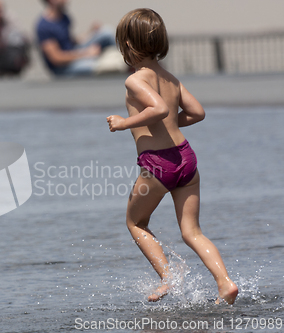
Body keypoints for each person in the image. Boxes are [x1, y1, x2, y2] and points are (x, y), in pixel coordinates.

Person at [107, 8, 239, 304]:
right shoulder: (170, 78)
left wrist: (123, 123)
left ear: (127, 45)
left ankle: (168, 277)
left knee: (135, 222)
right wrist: (167, 123)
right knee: (192, 231)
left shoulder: (134, 81)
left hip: (158, 164)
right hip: (186, 159)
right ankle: (225, 282)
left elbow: (159, 110)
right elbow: (197, 113)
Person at [36, 0, 118, 77]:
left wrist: (90, 32)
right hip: (63, 68)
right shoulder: (44, 26)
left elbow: (71, 42)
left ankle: (127, 55)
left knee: (106, 31)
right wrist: (86, 53)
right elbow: (56, 58)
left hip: (74, 52)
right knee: (101, 65)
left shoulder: (63, 18)